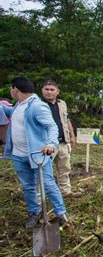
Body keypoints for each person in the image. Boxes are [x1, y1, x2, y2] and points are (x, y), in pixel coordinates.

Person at [0, 77, 67, 228]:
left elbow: (52, 127)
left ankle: (61, 214)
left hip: (38, 155)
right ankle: (34, 212)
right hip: (19, 155)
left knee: (48, 185)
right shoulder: (18, 105)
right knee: (28, 186)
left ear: (15, 89)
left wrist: (51, 143)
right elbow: (11, 111)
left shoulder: (38, 106)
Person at [41, 80, 81, 198]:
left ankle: (65, 192)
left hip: (63, 141)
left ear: (57, 92)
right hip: (46, 144)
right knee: (42, 171)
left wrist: (72, 136)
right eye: (46, 89)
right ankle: (39, 196)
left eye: (52, 90)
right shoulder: (38, 105)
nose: (49, 92)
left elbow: (66, 120)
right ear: (42, 91)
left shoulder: (62, 104)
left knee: (64, 168)